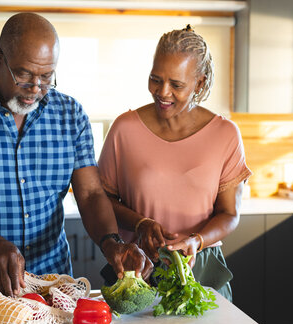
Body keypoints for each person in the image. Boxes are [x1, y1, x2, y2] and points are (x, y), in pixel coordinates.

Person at [0, 13, 152, 297]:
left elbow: (90, 194)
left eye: (46, 77)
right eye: (25, 75)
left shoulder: (70, 114)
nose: (36, 89)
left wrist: (112, 243)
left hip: (54, 290)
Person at [98, 25, 252, 300]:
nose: (162, 92)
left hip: (201, 267)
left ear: (200, 83)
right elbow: (101, 199)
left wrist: (197, 240)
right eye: (155, 79)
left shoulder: (226, 134)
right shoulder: (124, 128)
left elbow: (229, 214)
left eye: (176, 84)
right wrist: (140, 223)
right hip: (138, 267)